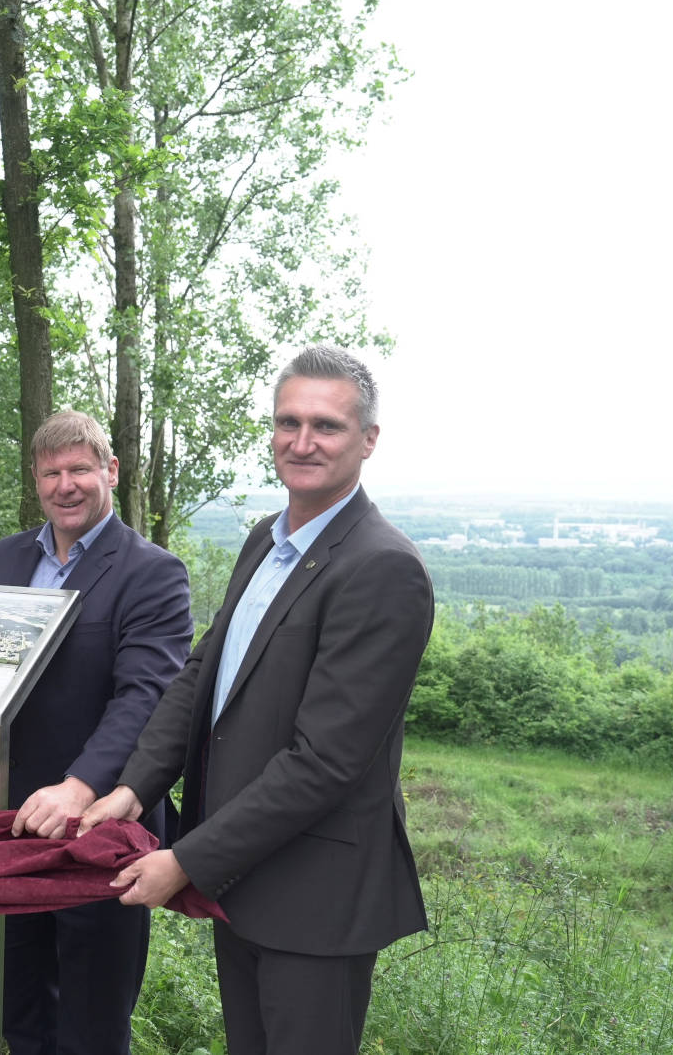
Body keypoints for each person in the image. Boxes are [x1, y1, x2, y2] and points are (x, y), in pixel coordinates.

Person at [79, 345, 434, 1055]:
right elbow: (200, 675)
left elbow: (324, 762)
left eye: (327, 426)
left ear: (368, 440)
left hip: (316, 897)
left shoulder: (383, 569)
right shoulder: (264, 542)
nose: (303, 442)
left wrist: (185, 861)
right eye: (288, 422)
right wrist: (130, 788)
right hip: (244, 882)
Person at [0, 410, 193, 1055]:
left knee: (93, 1020)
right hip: (14, 816)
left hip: (102, 822)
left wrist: (79, 787)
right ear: (36, 480)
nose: (65, 485)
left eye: (79, 469)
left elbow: (145, 698)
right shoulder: (8, 558)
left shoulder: (152, 571)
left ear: (111, 471)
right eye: (51, 472)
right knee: (20, 1000)